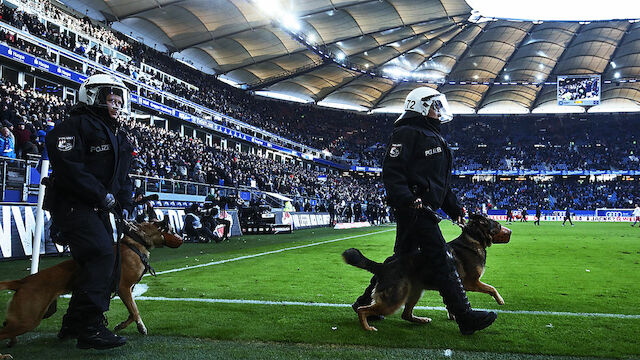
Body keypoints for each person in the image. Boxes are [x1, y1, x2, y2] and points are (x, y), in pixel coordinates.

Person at [351, 87, 497, 335]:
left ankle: (364, 303)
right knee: (443, 258)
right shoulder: (407, 132)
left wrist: (454, 207)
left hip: (424, 209)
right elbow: (392, 171)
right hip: (415, 209)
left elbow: (440, 182)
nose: (439, 111)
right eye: (434, 106)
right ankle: (464, 316)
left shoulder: (431, 135)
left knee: (401, 259)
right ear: (419, 106)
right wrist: (408, 199)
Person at [43, 74, 134, 350]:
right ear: (92, 97)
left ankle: (73, 322)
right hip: (73, 205)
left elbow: (122, 176)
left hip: (97, 209)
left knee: (109, 262)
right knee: (100, 254)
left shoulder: (119, 134)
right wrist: (101, 195)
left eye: (119, 100)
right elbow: (69, 167)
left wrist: (124, 201)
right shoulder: (74, 125)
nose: (116, 105)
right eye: (111, 99)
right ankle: (90, 327)